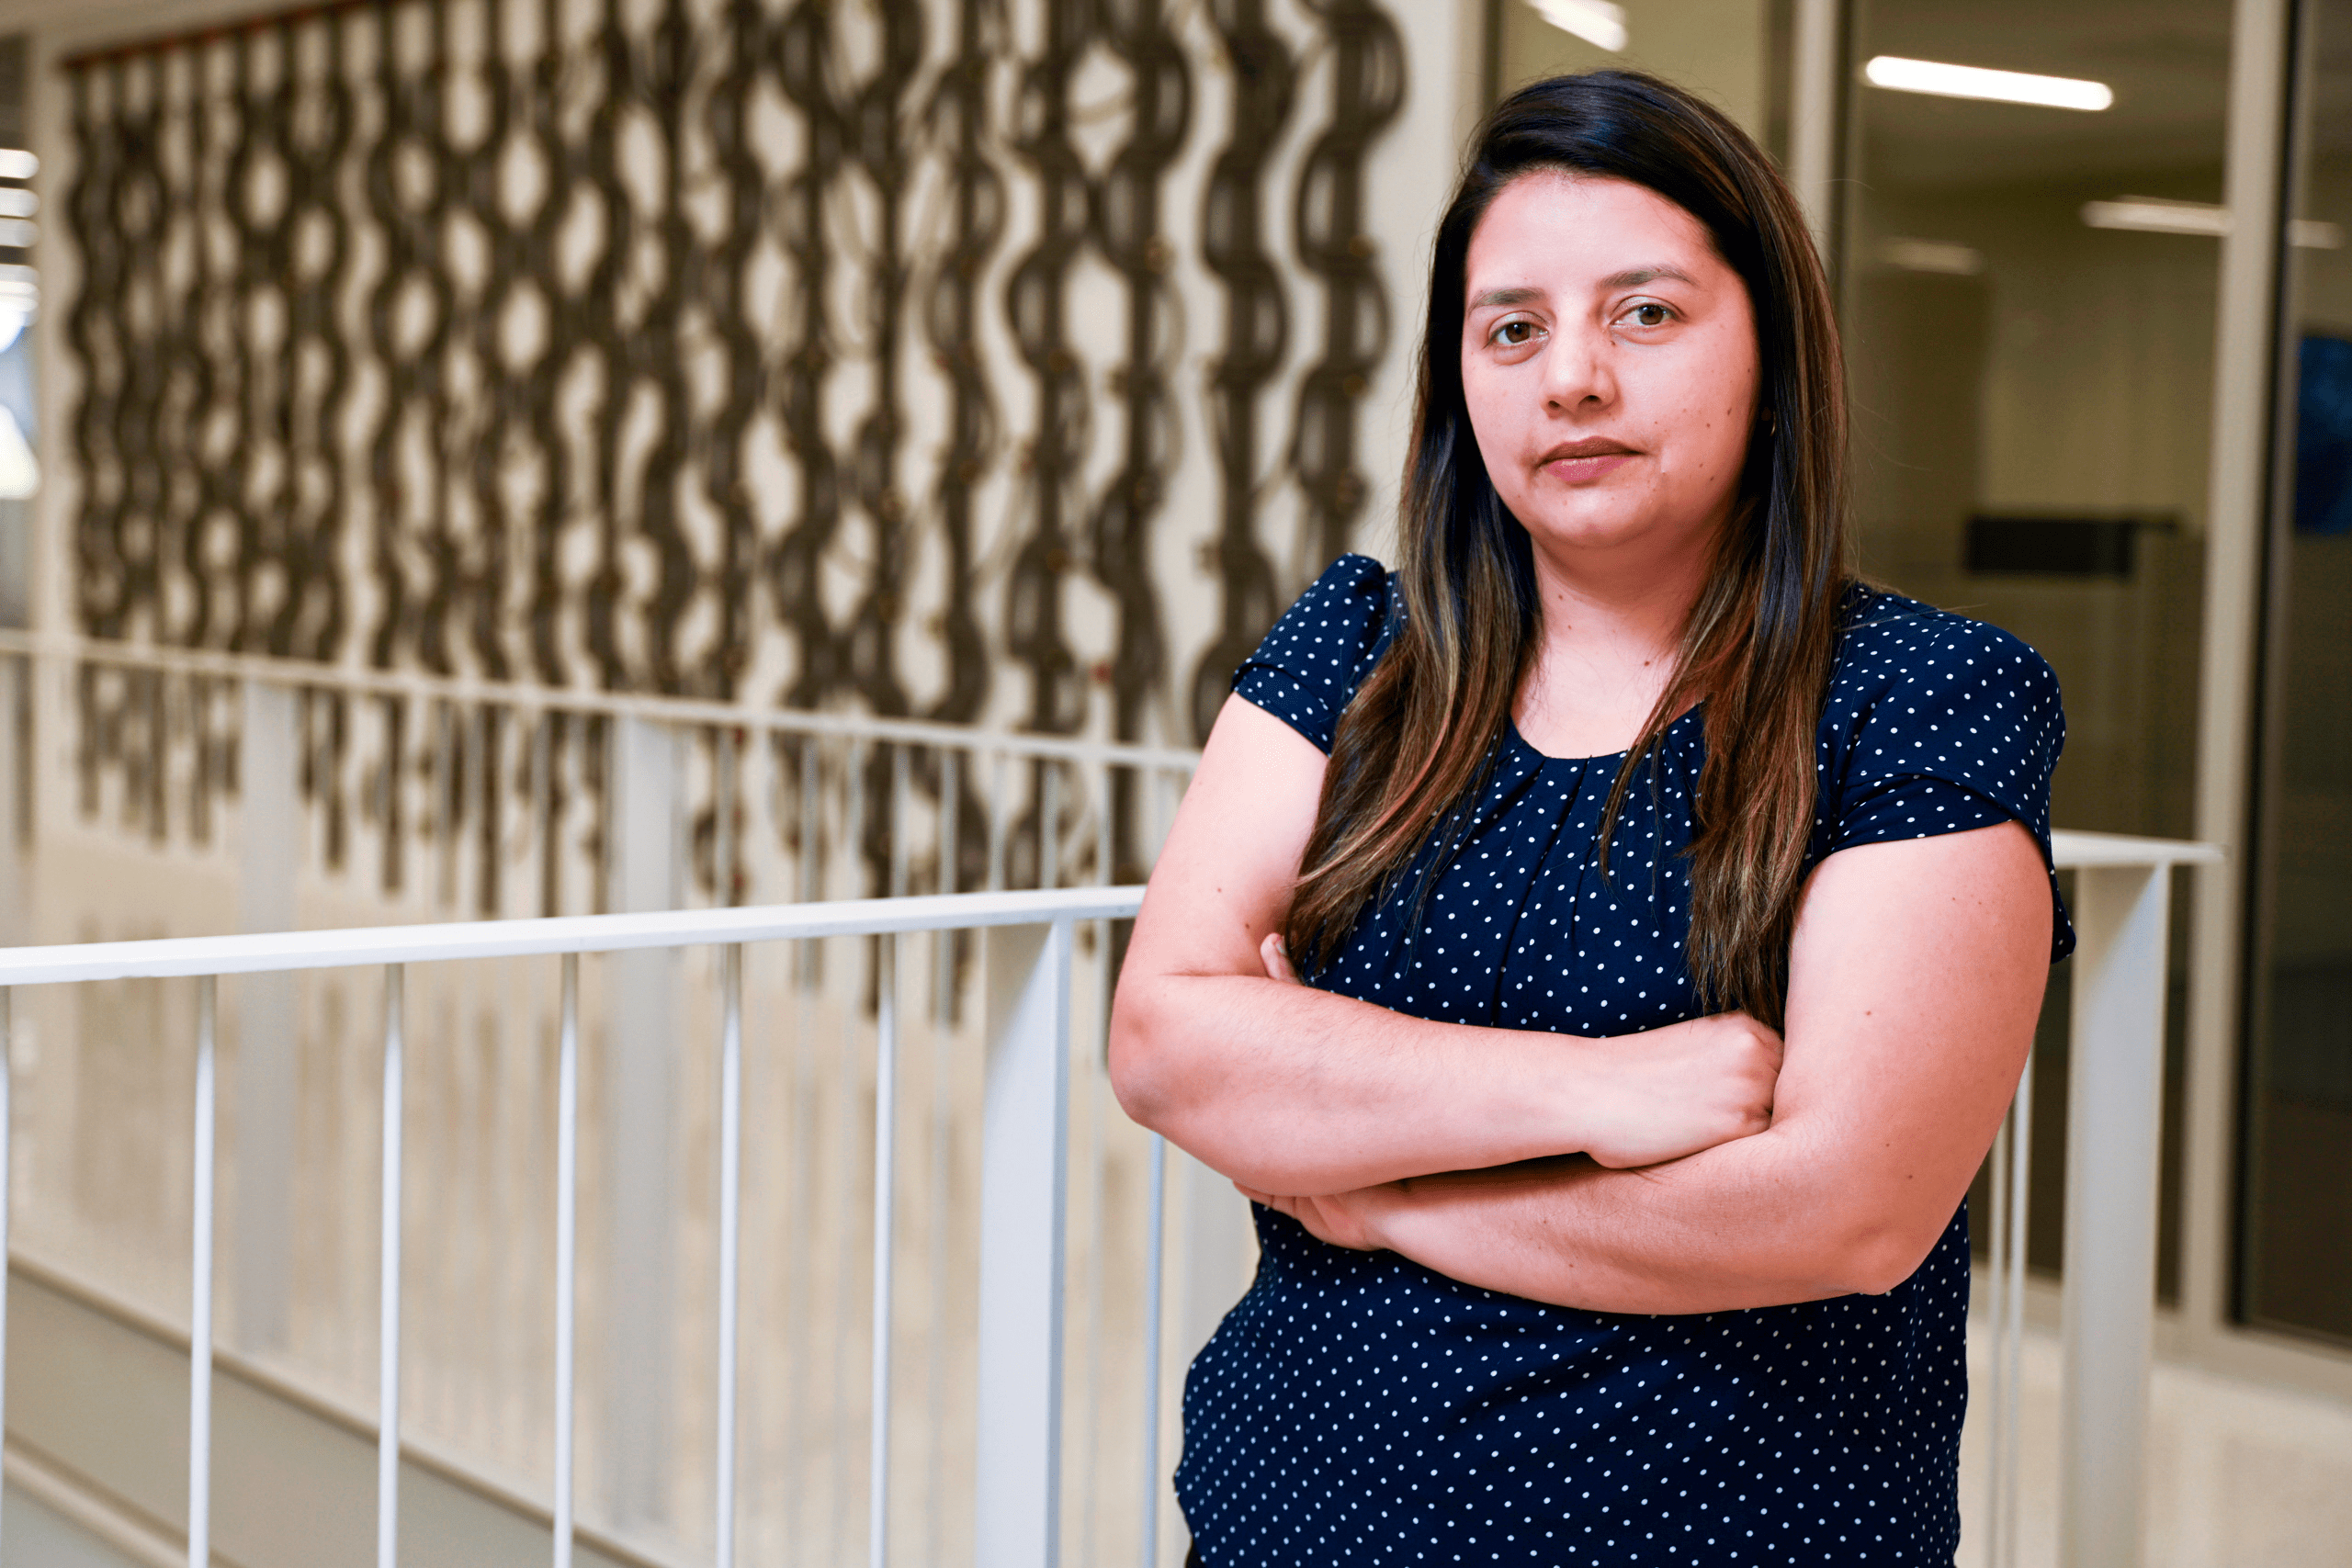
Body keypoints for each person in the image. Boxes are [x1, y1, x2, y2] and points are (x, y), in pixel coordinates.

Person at [1106, 71, 2070, 1566]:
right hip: (1282, 1518)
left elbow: (1845, 1207)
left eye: (1645, 313)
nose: (1571, 380)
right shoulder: (1357, 654)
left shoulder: (1916, 699)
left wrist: (1377, 1189)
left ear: (1772, 350)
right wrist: (1597, 1092)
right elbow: (1167, 1037)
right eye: (1513, 327)